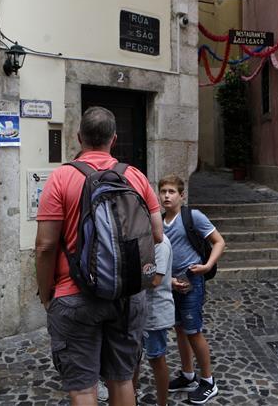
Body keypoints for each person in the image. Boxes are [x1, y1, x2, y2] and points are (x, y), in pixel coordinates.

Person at [35, 106, 163, 406]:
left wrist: (46, 295)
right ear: (114, 139)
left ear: (79, 138)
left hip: (74, 294)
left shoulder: (61, 177)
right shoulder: (134, 176)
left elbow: (45, 246)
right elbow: (157, 234)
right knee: (121, 379)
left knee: (82, 388)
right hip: (127, 295)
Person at [159, 175, 226, 405]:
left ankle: (208, 381)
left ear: (181, 195)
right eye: (163, 191)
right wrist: (168, 281)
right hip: (172, 285)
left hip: (192, 283)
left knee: (193, 331)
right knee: (180, 330)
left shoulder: (192, 216)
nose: (166, 196)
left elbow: (219, 241)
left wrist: (207, 266)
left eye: (171, 192)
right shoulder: (158, 221)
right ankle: (188, 376)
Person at [132, 235, 175, 406]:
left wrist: (128, 279)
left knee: (156, 358)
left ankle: (162, 403)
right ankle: (131, 394)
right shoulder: (142, 238)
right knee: (134, 356)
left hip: (155, 312)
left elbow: (156, 280)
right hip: (139, 309)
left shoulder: (161, 243)